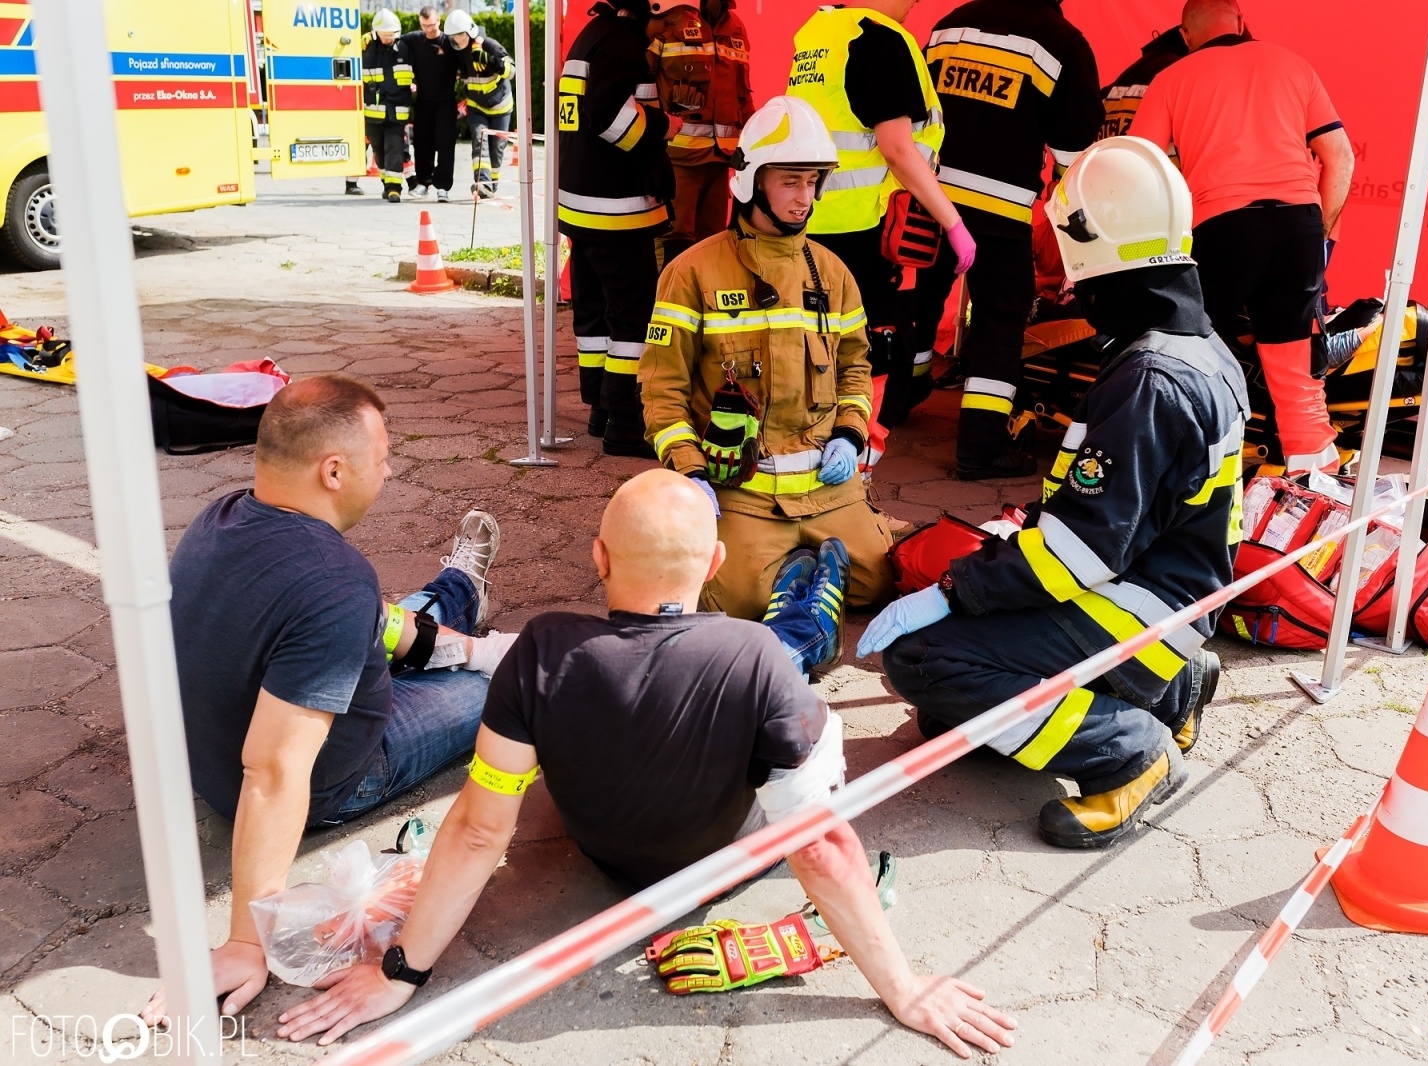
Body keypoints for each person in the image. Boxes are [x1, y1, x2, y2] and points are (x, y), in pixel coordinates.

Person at [275, 469, 1019, 1059]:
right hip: (722, 859)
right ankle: (815, 592)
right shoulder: (753, 656)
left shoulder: (541, 650)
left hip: (603, 850)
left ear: (598, 558)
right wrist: (904, 989)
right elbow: (818, 842)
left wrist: (402, 971)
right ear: (717, 562)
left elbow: (477, 829)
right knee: (797, 655)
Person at [860, 137, 1247, 850]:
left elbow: (1080, 551)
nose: (1069, 290)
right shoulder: (1202, 349)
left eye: (1077, 274)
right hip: (1170, 600)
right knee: (950, 714)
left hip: (1134, 608)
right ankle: (1173, 686)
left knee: (924, 660)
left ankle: (1128, 752)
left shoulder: (1149, 378)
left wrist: (956, 591)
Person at [141, 375, 516, 1021]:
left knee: (385, 618)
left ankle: (457, 587)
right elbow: (276, 768)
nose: (391, 469)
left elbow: (346, 618)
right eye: (383, 456)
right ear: (334, 471)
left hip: (213, 756)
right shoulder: (333, 580)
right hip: (340, 774)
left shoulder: (225, 514)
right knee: (517, 687)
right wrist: (244, 939)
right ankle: (481, 624)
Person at [639, 96, 895, 621]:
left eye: (813, 182)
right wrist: (691, 473)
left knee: (879, 582)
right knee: (736, 600)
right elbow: (661, 389)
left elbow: (855, 367)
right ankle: (792, 566)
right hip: (742, 486)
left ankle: (801, 563)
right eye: (790, 181)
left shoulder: (833, 273)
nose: (805, 198)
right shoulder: (692, 272)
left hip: (828, 485)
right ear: (752, 181)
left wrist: (850, 434)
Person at [1129, 0, 1354, 475]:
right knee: (1293, 360)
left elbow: (1140, 169)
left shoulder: (1173, 78)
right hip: (1299, 224)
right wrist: (1322, 237)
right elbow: (1340, 158)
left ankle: (1186, 465)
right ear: (1240, 22)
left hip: (1222, 226)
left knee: (1192, 346)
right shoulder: (1293, 65)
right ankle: (1315, 480)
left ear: (1185, 36)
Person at [911, 0, 1103, 480]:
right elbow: (1072, 148)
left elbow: (914, 107)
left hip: (929, 193)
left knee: (920, 300)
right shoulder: (1061, 40)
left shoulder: (949, 25)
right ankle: (980, 448)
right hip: (1001, 208)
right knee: (1000, 320)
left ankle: (895, 403)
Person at [788, 0, 966, 456]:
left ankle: (805, 470)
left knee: (808, 355)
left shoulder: (819, 33)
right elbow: (897, 149)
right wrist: (953, 221)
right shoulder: (880, 40)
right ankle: (855, 487)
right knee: (870, 358)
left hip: (808, 221)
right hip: (864, 232)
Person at [558, 0, 682, 457]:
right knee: (634, 318)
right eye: (666, 18)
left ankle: (601, 410)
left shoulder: (592, 35)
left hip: (582, 204)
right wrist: (666, 127)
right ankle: (627, 427)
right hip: (618, 210)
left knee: (594, 318)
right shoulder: (623, 46)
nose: (668, 27)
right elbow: (613, 121)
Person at [647, 0, 756, 264]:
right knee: (674, 241)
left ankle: (703, 303)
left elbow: (743, 94)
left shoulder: (735, 27)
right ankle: (665, 302)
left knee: (714, 243)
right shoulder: (666, 21)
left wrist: (753, 144)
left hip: (721, 160)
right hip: (677, 158)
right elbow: (641, 85)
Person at [443, 10, 514, 199]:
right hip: (476, 105)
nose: (457, 41)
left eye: (460, 36)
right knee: (479, 139)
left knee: (497, 147)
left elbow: (512, 71)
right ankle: (482, 182)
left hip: (501, 105)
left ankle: (492, 185)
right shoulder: (458, 53)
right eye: (454, 37)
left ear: (469, 32)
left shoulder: (489, 45)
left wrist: (491, 62)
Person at [402, 6, 458, 203]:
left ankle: (443, 187)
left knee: (445, 145)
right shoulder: (415, 40)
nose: (429, 30)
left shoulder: (450, 42)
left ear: (439, 21)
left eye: (432, 25)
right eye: (424, 26)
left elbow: (470, 46)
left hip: (446, 102)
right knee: (422, 144)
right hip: (424, 102)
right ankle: (423, 184)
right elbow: (391, 39)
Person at [1098, 24, 1187, 144]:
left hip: (1106, 158)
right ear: (1187, 37)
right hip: (1159, 160)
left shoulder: (1128, 75)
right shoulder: (1181, 72)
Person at [361, 9, 414, 203]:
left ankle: (394, 188)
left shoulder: (406, 49)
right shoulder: (365, 47)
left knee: (394, 147)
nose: (386, 39)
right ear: (375, 33)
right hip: (373, 111)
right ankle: (386, 183)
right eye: (383, 35)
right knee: (378, 150)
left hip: (396, 111)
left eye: (390, 35)